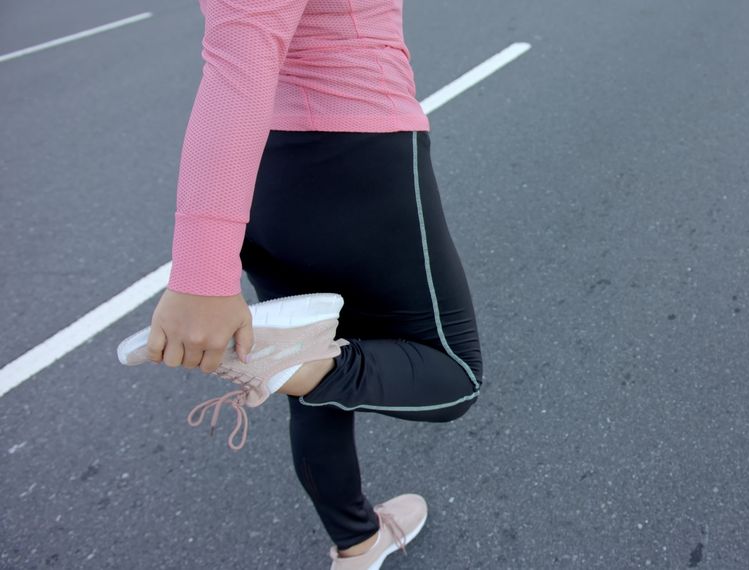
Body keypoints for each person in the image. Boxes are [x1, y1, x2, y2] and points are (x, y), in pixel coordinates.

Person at [116, 1, 483, 568]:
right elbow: (241, 53)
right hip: (358, 154)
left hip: (267, 172)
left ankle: (358, 543)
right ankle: (286, 361)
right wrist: (202, 277)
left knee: (313, 368)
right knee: (452, 375)